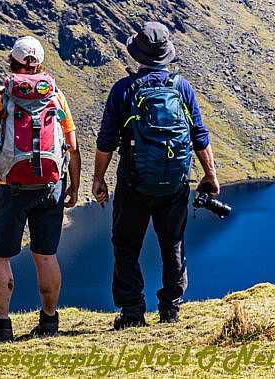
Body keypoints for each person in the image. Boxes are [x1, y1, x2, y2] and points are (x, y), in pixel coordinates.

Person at [92, 21, 219, 329]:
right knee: (172, 242)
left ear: (138, 55)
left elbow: (107, 140)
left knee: (126, 243)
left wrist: (98, 179)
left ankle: (133, 311)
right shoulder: (181, 87)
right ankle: (171, 308)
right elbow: (199, 135)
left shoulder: (124, 89)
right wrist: (210, 175)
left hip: (134, 182)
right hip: (175, 183)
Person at [0, 36, 81, 342]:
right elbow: (72, 146)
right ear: (41, 64)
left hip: (12, 185)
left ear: (13, 62)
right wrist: (73, 187)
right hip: (51, 185)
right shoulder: (56, 97)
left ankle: (1, 328)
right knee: (45, 255)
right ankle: (49, 323)